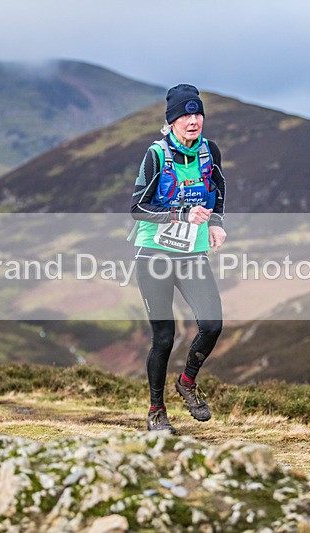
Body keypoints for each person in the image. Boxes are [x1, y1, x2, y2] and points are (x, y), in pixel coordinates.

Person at [129, 84, 227, 433]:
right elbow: (137, 207)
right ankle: (157, 411)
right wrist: (180, 213)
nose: (193, 121)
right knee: (164, 337)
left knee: (212, 325)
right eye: (185, 115)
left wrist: (216, 225)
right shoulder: (156, 155)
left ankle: (187, 382)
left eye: (197, 113)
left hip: (191, 254)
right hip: (154, 253)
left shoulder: (208, 152)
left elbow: (218, 190)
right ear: (170, 122)